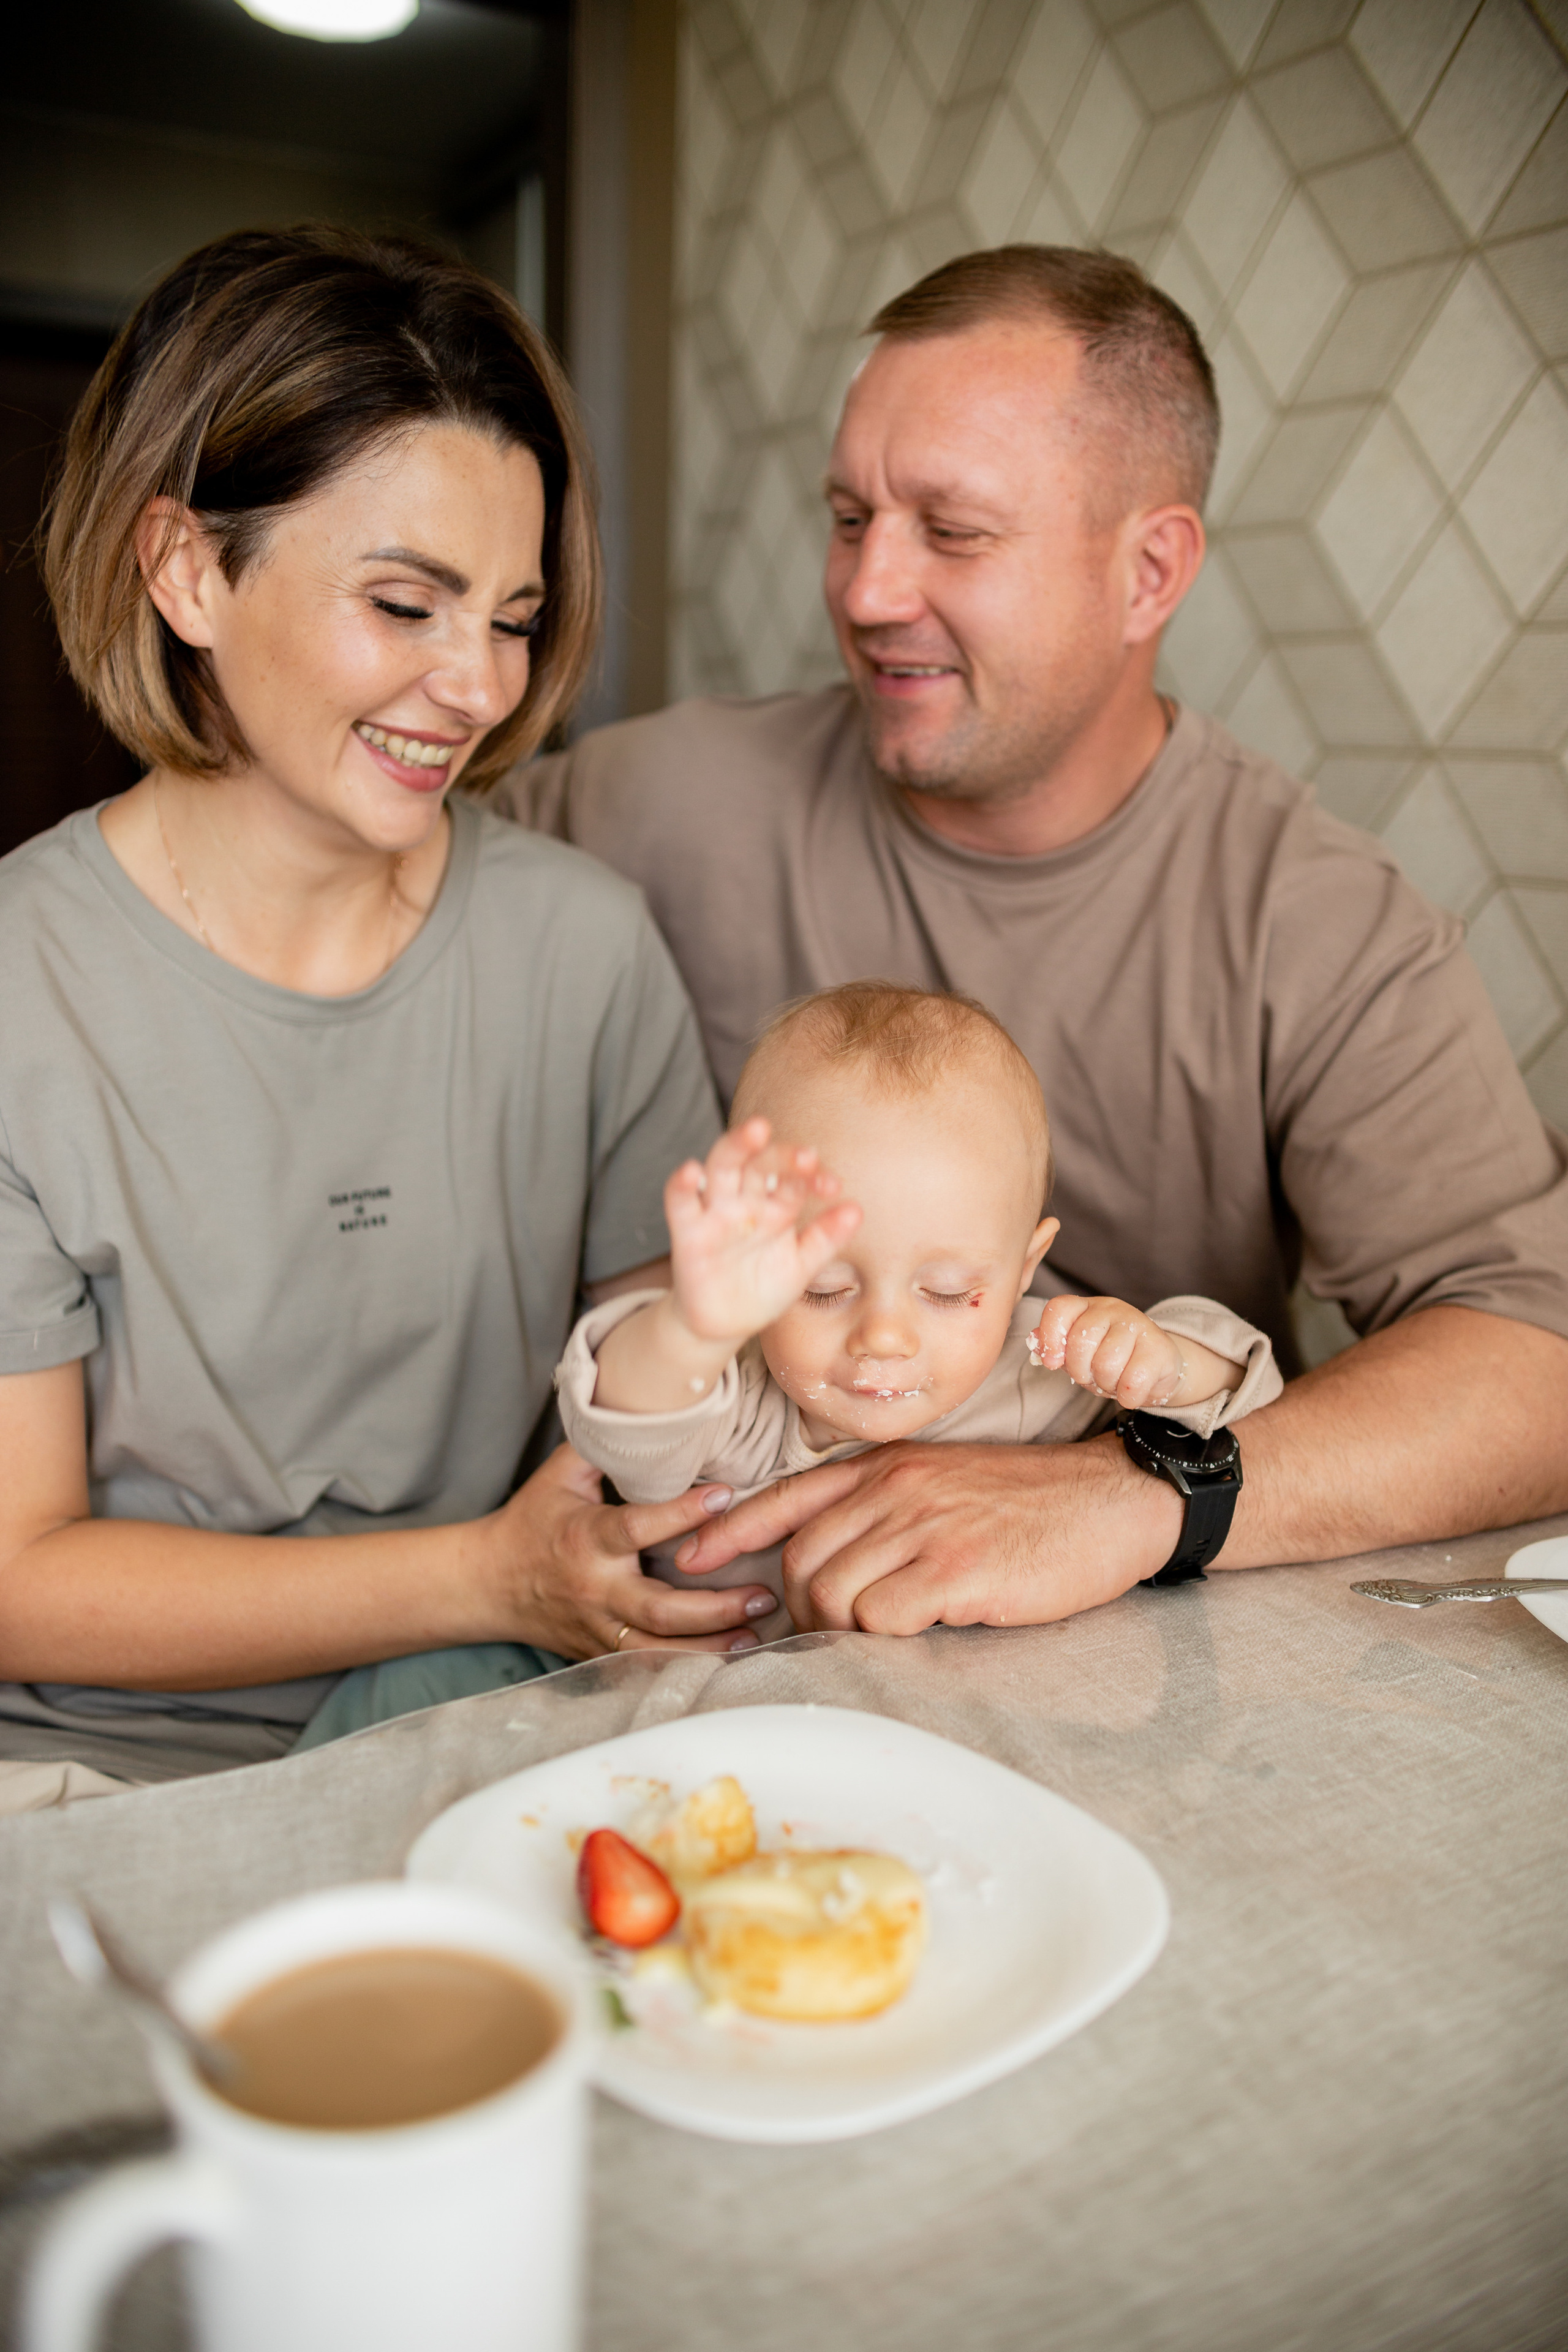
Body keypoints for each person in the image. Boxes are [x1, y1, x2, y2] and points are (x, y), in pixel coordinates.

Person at [504, 244, 1568, 1635]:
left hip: (1116, 1672)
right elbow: (355, 875)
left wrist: (1137, 1495)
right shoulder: (646, 801)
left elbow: (1534, 1364)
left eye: (950, 531)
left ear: (1145, 572)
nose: (866, 589)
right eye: (847, 516)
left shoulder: (1316, 922)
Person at [0, 225, 776, 1793]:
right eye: (405, 602)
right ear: (189, 570)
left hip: (496, 1728)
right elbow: (19, 1575)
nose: (480, 686)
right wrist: (485, 1574)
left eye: (509, 614)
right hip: (104, 1777)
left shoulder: (585, 951)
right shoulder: (22, 990)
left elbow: (660, 1418)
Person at [555, 984, 1280, 1633]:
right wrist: (690, 1329)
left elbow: (1247, 1403)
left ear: (1023, 1269)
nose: (885, 1336)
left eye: (947, 1293)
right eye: (822, 1288)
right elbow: (630, 1435)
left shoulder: (1038, 1365)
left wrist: (1169, 1365)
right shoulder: (738, 1397)